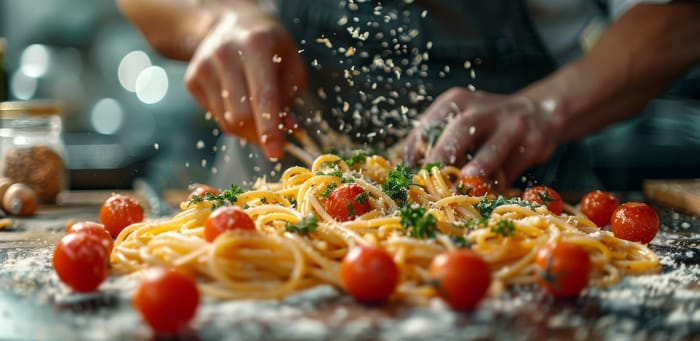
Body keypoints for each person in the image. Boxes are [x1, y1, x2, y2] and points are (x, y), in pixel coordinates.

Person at [117, 0, 700, 191]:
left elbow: (680, 17)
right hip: (262, 218)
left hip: (524, 223)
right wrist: (213, 14)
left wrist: (542, 109)